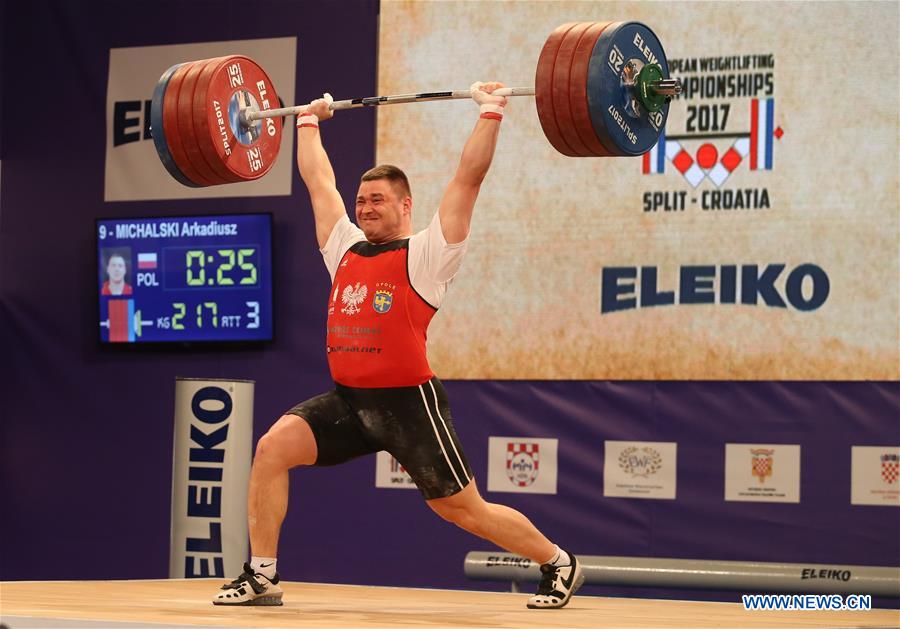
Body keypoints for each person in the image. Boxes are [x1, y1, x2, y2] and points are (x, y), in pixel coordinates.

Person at [213, 83, 583, 609]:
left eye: (377, 200)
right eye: (362, 200)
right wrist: (309, 122)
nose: (365, 208)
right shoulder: (343, 248)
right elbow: (319, 183)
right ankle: (263, 575)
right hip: (349, 402)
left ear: (406, 206)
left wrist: (491, 111)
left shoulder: (429, 253)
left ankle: (557, 561)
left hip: (409, 404)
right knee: (272, 449)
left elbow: (468, 178)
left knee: (464, 511)